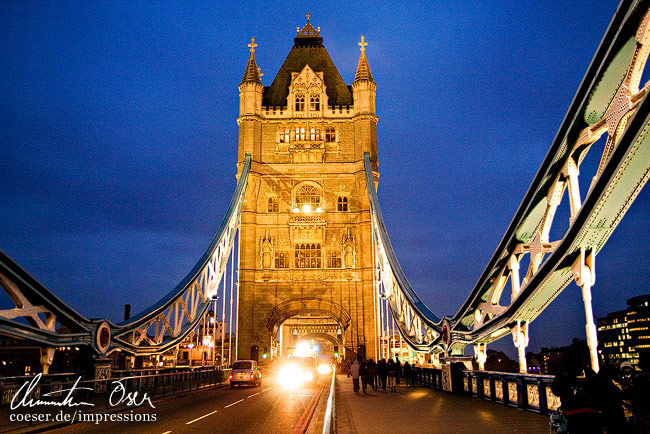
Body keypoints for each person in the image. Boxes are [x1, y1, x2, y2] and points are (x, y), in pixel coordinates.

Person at [551, 348, 602, 433]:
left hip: (571, 414)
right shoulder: (589, 371)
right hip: (592, 414)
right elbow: (599, 388)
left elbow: (555, 390)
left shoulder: (563, 373)